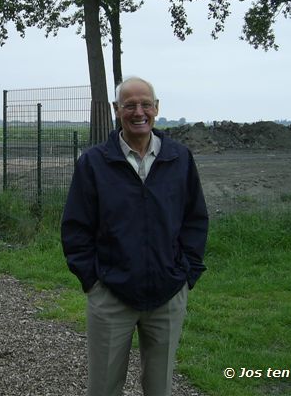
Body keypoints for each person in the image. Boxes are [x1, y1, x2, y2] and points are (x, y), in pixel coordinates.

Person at [61, 76, 208, 396]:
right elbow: (75, 228)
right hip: (111, 295)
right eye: (129, 105)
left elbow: (195, 220)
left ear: (157, 108)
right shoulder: (94, 163)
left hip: (168, 293)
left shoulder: (179, 158)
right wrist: (93, 281)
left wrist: (187, 273)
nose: (138, 111)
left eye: (145, 104)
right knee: (103, 387)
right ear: (117, 110)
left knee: (160, 388)